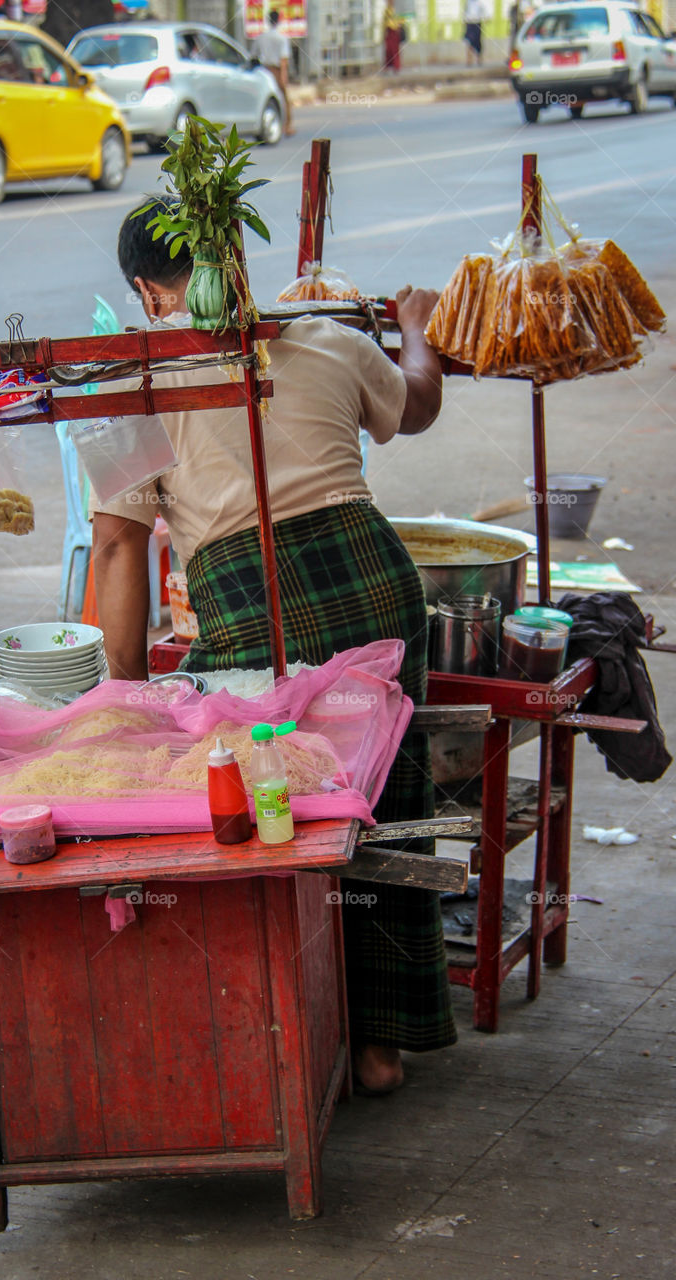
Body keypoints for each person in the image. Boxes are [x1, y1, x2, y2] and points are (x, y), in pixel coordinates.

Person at [92, 200, 456, 1094]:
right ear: (235, 261)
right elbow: (414, 406)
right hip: (373, 586)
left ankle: (284, 1031)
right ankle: (380, 1045)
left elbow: (115, 547)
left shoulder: (137, 384)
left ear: (147, 290)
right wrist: (416, 332)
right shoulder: (326, 338)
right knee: (381, 800)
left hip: (250, 610)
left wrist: (128, 695)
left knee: (265, 814)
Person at [254, 8, 295, 136]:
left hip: (264, 70)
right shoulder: (282, 38)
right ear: (279, 20)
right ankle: (287, 126)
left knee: (264, 98)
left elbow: (254, 56)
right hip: (277, 70)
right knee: (284, 99)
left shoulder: (260, 38)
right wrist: (283, 76)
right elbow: (284, 60)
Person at [382, 0, 404, 74]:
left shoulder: (396, 10)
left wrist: (398, 27)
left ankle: (396, 66)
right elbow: (385, 22)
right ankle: (388, 67)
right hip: (389, 31)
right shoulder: (387, 10)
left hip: (395, 31)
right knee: (388, 50)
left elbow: (400, 20)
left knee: (395, 50)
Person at [464, 0, 486, 66]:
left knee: (478, 42)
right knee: (469, 41)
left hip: (477, 22)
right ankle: (469, 60)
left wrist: (485, 18)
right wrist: (464, 21)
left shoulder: (480, 3)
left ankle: (479, 59)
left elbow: (484, 12)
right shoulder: (468, 2)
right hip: (469, 23)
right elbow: (465, 12)